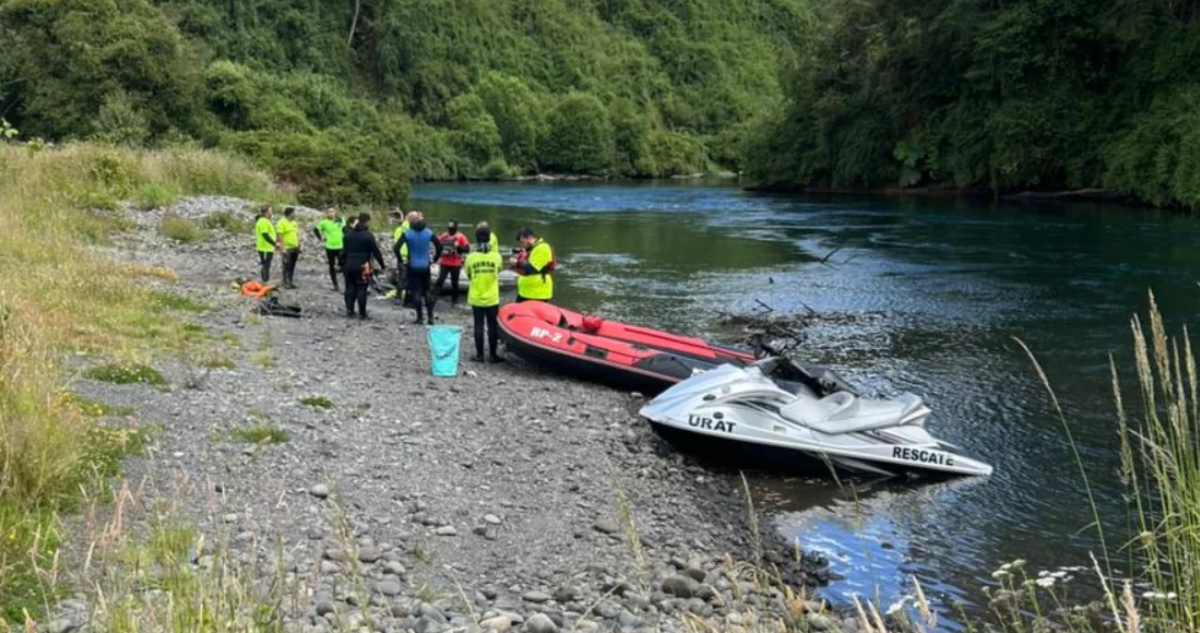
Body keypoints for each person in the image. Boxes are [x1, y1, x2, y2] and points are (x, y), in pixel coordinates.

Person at [465, 226, 504, 362]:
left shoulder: (471, 257)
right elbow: (498, 271)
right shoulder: (497, 257)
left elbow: (469, 274)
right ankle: (493, 355)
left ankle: (480, 355)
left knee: (478, 325)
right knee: (492, 326)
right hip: (492, 297)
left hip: (476, 296)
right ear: (489, 238)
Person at [342, 213, 386, 320]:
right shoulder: (368, 236)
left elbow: (343, 252)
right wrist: (382, 265)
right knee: (362, 288)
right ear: (366, 223)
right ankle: (362, 313)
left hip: (349, 264)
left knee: (350, 287)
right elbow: (376, 252)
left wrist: (341, 264)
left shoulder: (347, 235)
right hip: (363, 265)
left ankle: (350, 310)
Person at [397, 212, 436, 324]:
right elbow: (439, 245)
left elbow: (396, 248)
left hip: (412, 265)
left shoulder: (407, 233)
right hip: (425, 265)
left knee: (416, 291)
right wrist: (434, 258)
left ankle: (419, 318)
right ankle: (430, 317)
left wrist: (401, 260)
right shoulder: (428, 233)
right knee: (427, 290)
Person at [511, 227, 555, 303]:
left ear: (530, 238)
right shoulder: (531, 249)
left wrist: (516, 263)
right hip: (526, 292)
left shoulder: (542, 248)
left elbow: (532, 269)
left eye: (522, 242)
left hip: (538, 293)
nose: (521, 245)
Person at [434, 220, 470, 304]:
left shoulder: (461, 237)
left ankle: (454, 301)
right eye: (449, 229)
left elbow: (467, 249)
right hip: (444, 262)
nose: (450, 231)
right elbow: (436, 242)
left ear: (456, 228)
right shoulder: (444, 236)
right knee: (440, 280)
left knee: (455, 283)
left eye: (452, 229)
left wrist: (458, 247)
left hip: (455, 263)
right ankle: (433, 297)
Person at [314, 207, 345, 292]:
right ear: (326, 213)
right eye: (329, 212)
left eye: (332, 212)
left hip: (340, 246)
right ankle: (335, 285)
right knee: (331, 265)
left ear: (335, 212)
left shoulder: (339, 220)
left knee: (344, 265)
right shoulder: (324, 222)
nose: (331, 213)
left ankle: (347, 283)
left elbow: (345, 229)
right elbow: (316, 229)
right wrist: (320, 238)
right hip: (330, 247)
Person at [276, 207, 301, 289]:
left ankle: (290, 281)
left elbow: (296, 234)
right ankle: (285, 282)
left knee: (292, 266)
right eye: (294, 213)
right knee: (287, 265)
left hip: (295, 247)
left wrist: (299, 245)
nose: (295, 214)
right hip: (287, 248)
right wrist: (282, 248)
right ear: (289, 213)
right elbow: (279, 235)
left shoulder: (294, 223)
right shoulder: (281, 222)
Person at [254, 204, 278, 283]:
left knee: (267, 264)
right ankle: (265, 281)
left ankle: (266, 281)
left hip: (267, 247)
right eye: (271, 211)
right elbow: (265, 235)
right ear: (266, 212)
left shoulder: (265, 221)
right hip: (264, 247)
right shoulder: (263, 221)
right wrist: (274, 244)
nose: (272, 213)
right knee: (265, 265)